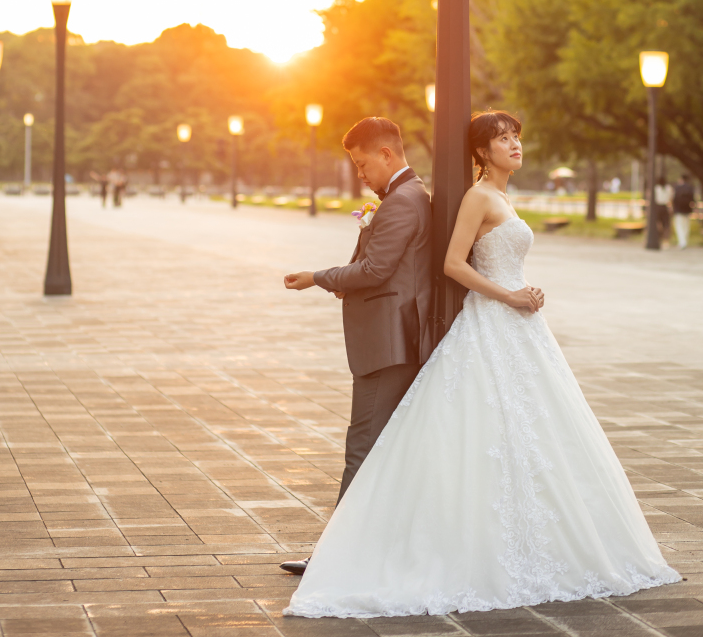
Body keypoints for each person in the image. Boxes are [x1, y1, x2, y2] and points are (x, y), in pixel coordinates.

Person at [285, 110, 680, 618]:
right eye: (502, 139)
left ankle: (526, 542)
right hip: (490, 320)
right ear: (480, 152)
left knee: (525, 435)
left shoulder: (474, 198)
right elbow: (453, 263)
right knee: (471, 437)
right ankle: (357, 551)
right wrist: (510, 295)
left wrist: (525, 291)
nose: (514, 144)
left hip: (512, 327)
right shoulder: (470, 196)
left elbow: (439, 263)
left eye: (516, 136)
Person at [281, 116, 433, 576]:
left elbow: (375, 270)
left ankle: (335, 557)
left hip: (387, 344)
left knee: (362, 446)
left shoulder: (403, 201)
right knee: (379, 448)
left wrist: (318, 278)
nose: (360, 175)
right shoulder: (408, 196)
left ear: (387, 154)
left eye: (362, 164)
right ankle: (375, 547)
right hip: (393, 339)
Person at [672, 173, 694, 249]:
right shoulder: (690, 187)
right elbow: (692, 199)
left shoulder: (677, 188)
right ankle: (684, 241)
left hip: (678, 210)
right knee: (686, 226)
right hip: (687, 210)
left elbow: (674, 199)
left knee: (679, 226)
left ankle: (682, 242)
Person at [654, 177, 672, 244]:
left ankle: (659, 237)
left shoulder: (656, 188)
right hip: (665, 207)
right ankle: (666, 240)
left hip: (658, 207)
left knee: (658, 223)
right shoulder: (668, 188)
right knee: (666, 224)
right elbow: (671, 199)